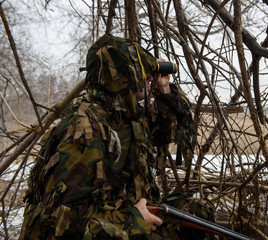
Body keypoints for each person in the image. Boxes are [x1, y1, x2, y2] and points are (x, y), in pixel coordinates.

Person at [18, 34, 200, 240]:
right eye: (139, 72)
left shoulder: (123, 117)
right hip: (116, 226)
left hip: (122, 219)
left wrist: (163, 87)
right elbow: (58, 222)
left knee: (198, 213)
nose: (147, 78)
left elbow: (173, 129)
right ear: (120, 79)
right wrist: (133, 222)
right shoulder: (85, 130)